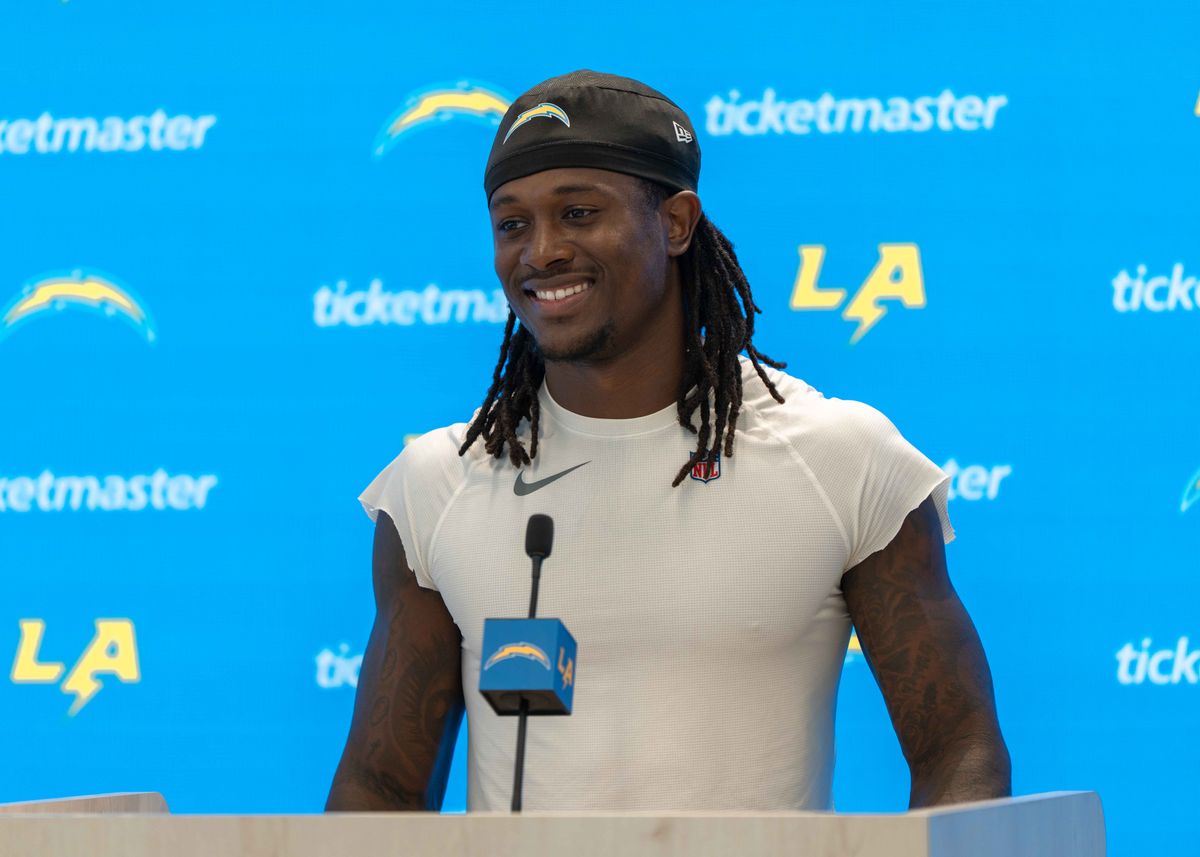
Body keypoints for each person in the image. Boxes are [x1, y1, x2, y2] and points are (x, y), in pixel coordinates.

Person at [326, 70, 1010, 812]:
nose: (541, 251)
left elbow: (958, 746)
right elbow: (382, 787)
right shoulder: (437, 484)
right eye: (511, 223)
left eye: (579, 212)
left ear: (677, 222)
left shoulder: (840, 458)